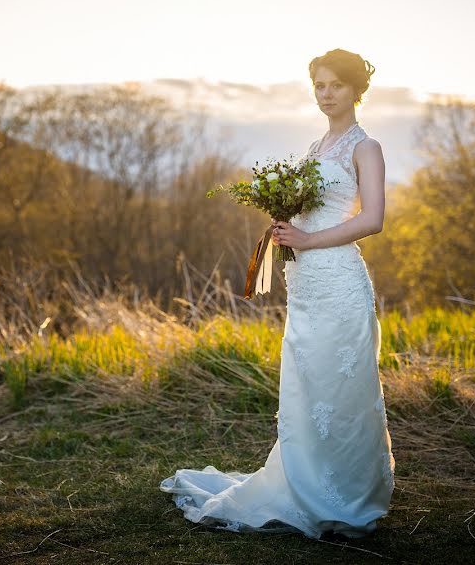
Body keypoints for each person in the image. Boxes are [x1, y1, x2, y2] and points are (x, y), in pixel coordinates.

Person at [159, 48, 394, 539]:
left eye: (335, 85)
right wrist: (287, 225)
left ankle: (348, 497)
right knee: (309, 384)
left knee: (343, 387)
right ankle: (307, 484)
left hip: (340, 281)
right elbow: (310, 212)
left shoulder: (364, 147)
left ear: (356, 90)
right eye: (319, 85)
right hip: (305, 283)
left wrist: (307, 238)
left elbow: (371, 219)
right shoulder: (316, 145)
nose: (325, 94)